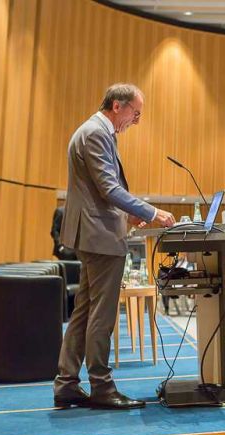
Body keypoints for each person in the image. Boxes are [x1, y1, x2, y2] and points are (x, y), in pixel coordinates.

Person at [53, 83, 175, 410]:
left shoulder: (96, 131)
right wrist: (150, 211)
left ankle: (66, 383)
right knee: (101, 315)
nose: (136, 121)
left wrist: (127, 216)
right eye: (135, 113)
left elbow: (99, 190)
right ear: (118, 106)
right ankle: (102, 387)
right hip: (100, 236)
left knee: (83, 313)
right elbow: (108, 188)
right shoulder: (95, 133)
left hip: (97, 231)